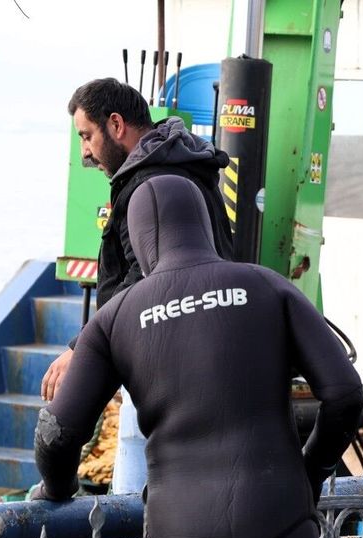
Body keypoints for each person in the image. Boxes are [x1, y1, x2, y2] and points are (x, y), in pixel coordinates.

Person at [31, 174, 363, 538]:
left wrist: (60, 488)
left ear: (140, 239)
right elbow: (345, 395)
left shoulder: (114, 317)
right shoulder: (268, 285)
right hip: (274, 516)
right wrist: (310, 471)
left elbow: (59, 434)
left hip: (180, 534)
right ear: (207, 225)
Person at [41, 78, 236, 402]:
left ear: (116, 124)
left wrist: (84, 347)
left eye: (87, 136)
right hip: (191, 356)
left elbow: (142, 280)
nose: (85, 152)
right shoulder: (180, 167)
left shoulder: (154, 186)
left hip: (171, 368)